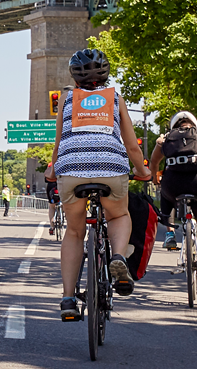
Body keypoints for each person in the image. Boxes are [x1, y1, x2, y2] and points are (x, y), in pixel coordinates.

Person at [46, 49, 152, 321]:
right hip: (111, 167)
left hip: (71, 170)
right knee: (119, 214)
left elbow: (59, 144)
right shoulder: (115, 98)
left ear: (74, 76)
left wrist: (51, 172)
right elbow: (131, 145)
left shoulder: (66, 99)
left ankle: (68, 298)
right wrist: (143, 172)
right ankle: (118, 256)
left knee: (73, 231)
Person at [149, 111, 197, 291]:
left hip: (174, 184)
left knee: (164, 188)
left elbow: (154, 164)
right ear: (194, 124)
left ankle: (170, 232)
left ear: (174, 126)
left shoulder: (166, 138)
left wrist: (155, 178)